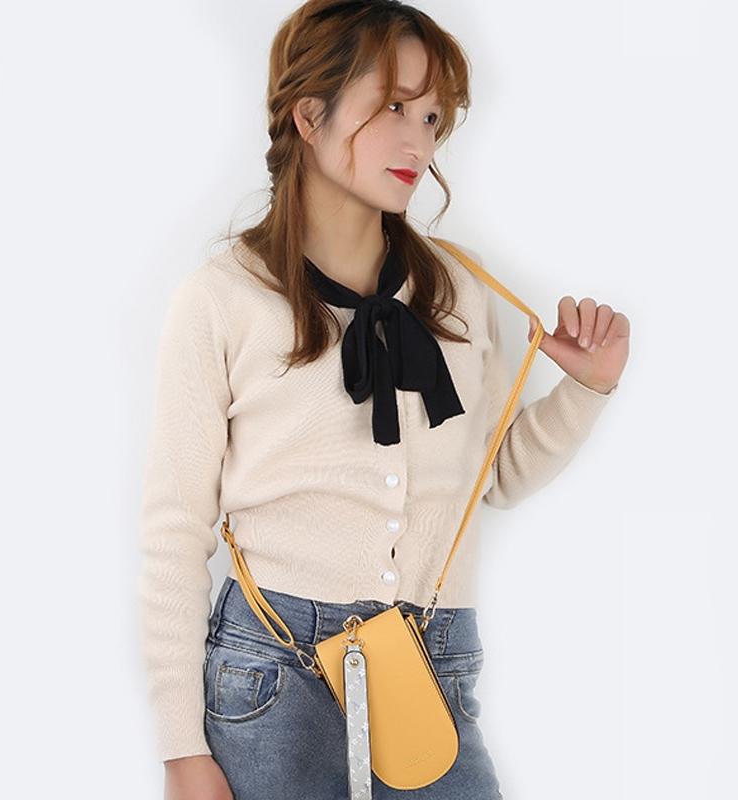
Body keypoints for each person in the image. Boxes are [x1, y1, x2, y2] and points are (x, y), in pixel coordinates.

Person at [136, 1, 630, 798]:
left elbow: (493, 478)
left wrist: (587, 388)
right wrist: (179, 751)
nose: (419, 143)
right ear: (309, 115)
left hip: (431, 661)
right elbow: (173, 529)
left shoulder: (461, 293)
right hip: (273, 671)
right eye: (394, 107)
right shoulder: (223, 299)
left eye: (432, 117)